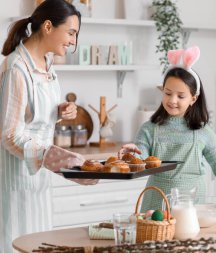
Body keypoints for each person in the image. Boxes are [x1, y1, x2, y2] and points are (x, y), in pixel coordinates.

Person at [0, 1, 95, 252]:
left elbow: (33, 117)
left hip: (39, 179)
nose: (73, 42)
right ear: (48, 26)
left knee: (40, 244)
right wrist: (53, 157)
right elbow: (9, 135)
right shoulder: (17, 68)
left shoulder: (47, 65)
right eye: (71, 33)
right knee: (17, 243)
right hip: (16, 178)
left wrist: (59, 112)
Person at [119, 46, 216, 212]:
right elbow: (142, 160)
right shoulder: (149, 129)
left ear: (193, 99)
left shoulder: (203, 132)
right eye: (167, 93)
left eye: (180, 96)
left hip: (193, 207)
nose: (172, 100)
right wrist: (132, 155)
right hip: (155, 206)